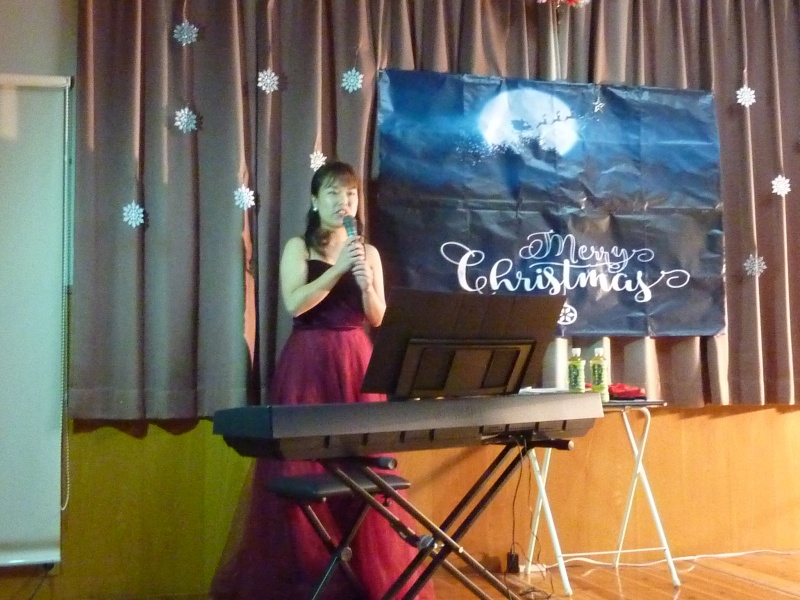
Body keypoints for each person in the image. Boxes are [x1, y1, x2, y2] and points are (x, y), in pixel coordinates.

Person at [210, 160, 436, 599]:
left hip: (357, 362)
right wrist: (336, 271)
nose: (343, 202)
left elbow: (378, 317)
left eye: (350, 194)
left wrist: (365, 283)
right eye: (333, 193)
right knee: (303, 464)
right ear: (315, 201)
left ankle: (360, 579)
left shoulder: (368, 252)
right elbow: (295, 304)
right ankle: (310, 579)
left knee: (363, 467)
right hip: (309, 362)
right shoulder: (299, 246)